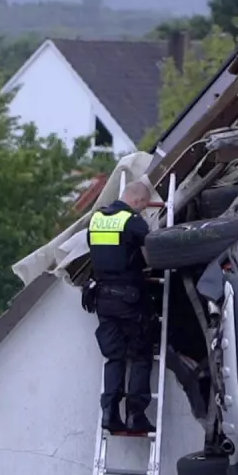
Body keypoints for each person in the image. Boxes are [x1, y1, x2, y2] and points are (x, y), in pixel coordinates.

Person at [87, 179, 155, 435]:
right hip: (129, 299)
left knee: (114, 357)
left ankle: (110, 413)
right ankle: (136, 416)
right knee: (140, 354)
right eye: (143, 206)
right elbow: (151, 254)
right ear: (137, 200)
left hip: (102, 299)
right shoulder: (133, 221)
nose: (142, 210)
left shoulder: (96, 219)